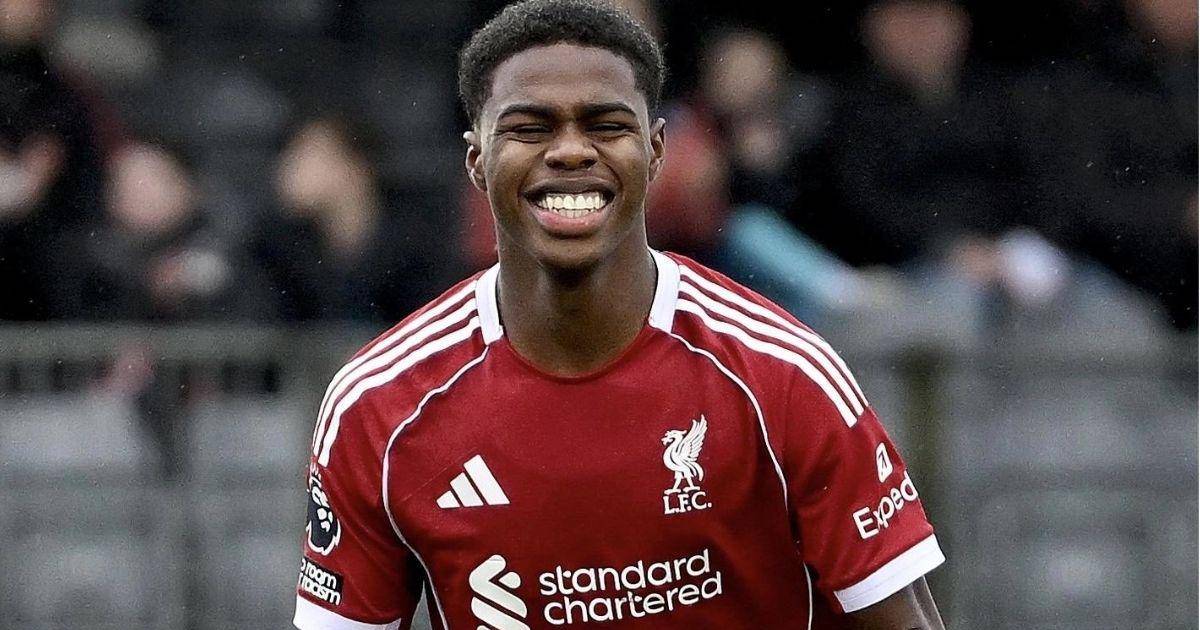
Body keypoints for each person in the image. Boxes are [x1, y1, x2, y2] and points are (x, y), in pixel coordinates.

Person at [293, 1, 945, 628]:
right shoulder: (377, 407)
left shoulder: (785, 374)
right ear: (476, 160)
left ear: (656, 150)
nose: (571, 151)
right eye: (530, 128)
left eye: (605, 125)